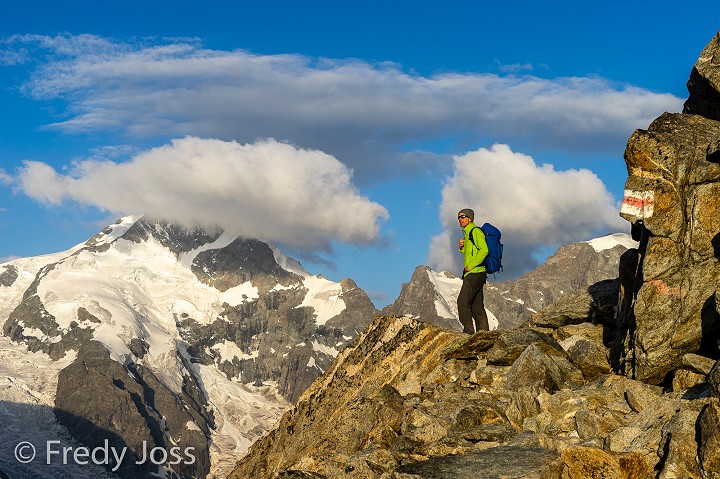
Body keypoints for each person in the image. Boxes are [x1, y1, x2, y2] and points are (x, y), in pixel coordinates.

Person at [456, 208, 490, 333]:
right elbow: (471, 253)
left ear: (470, 218)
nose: (460, 219)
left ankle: (469, 330)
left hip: (474, 273)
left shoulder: (475, 231)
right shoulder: (467, 233)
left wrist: (470, 266)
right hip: (478, 273)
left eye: (462, 216)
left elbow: (484, 250)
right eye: (458, 217)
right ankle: (484, 334)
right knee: (477, 307)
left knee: (462, 302)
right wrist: (462, 248)